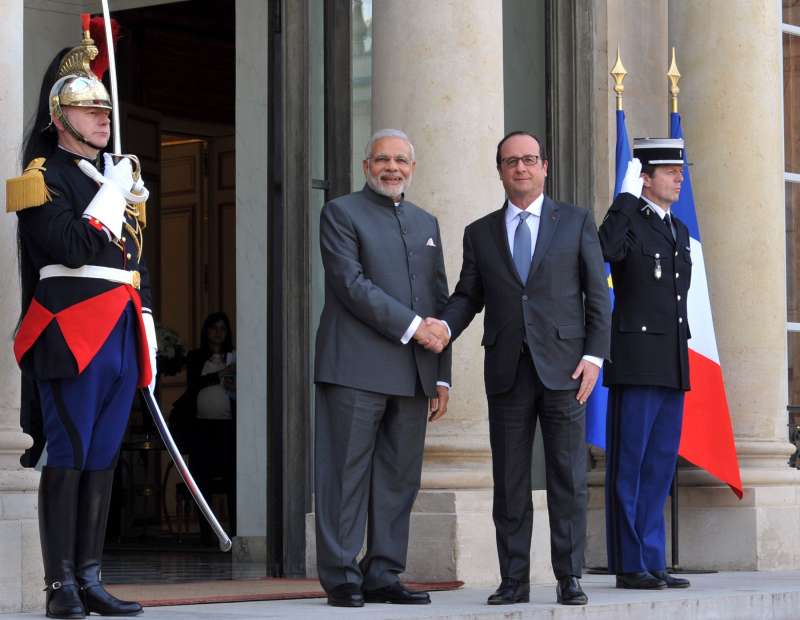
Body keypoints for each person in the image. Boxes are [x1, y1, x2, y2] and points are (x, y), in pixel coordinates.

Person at [7, 18, 154, 618]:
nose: (103, 117)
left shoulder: (112, 177)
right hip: (70, 330)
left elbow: (128, 261)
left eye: (105, 108)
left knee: (104, 457)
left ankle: (90, 577)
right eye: (89, 108)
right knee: (66, 455)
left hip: (117, 327)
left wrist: (140, 314)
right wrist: (113, 194)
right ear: (59, 118)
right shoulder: (37, 182)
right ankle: (59, 586)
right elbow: (71, 247)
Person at [436, 131, 611, 606]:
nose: (521, 168)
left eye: (529, 160)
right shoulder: (480, 232)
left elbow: (597, 295)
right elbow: (468, 296)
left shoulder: (574, 222)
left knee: (568, 476)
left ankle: (569, 576)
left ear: (545, 167)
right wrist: (442, 329)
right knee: (509, 479)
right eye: (511, 161)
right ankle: (513, 579)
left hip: (567, 372)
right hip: (508, 371)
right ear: (499, 171)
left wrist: (594, 357)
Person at [313, 129, 452, 607]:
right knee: (345, 475)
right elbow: (351, 285)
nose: (392, 168)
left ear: (412, 168)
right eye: (382, 160)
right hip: (354, 365)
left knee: (399, 479)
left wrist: (441, 373)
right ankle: (342, 575)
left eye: (401, 161)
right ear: (365, 165)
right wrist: (416, 328)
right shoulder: (340, 213)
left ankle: (384, 572)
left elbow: (439, 301)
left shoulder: (426, 220)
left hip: (413, 373)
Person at [599, 138, 692, 590]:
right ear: (646, 177)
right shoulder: (629, 219)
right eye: (670, 171)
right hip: (635, 361)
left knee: (658, 466)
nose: (679, 177)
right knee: (630, 465)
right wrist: (624, 201)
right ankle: (630, 562)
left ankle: (653, 557)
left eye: (680, 170)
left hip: (671, 361)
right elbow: (604, 251)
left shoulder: (675, 229)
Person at [175, 311, 236, 546]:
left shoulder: (234, 356)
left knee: (232, 480)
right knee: (201, 481)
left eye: (222, 328)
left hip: (228, 428)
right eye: (213, 328)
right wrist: (219, 375)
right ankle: (206, 535)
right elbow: (194, 386)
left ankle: (234, 533)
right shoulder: (196, 357)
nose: (218, 332)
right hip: (202, 428)